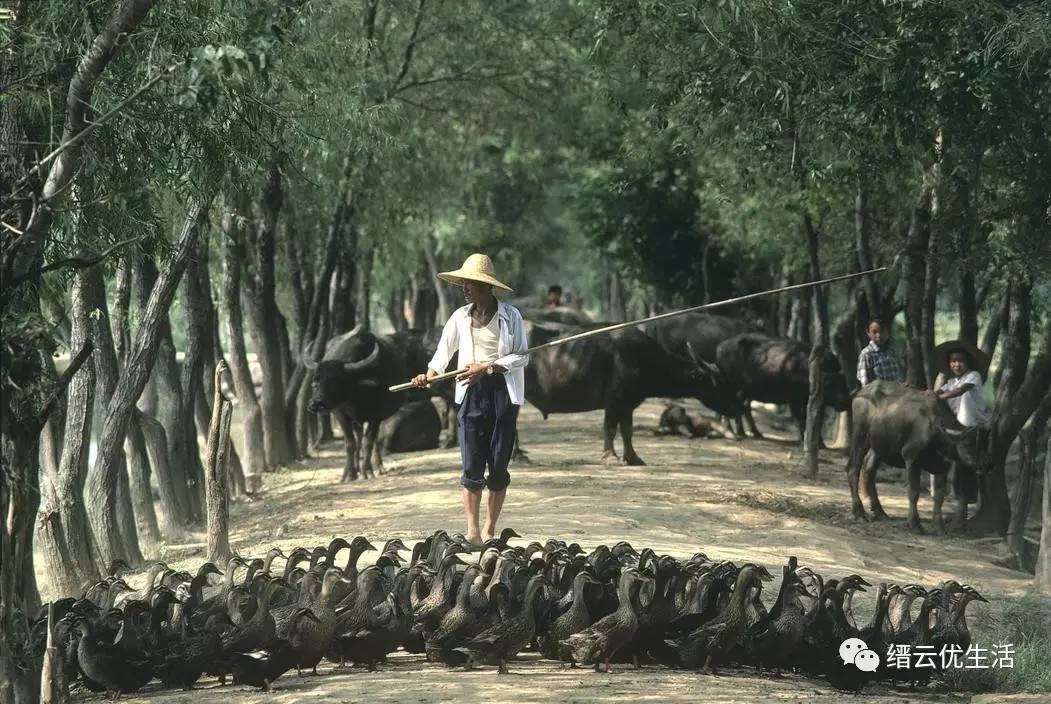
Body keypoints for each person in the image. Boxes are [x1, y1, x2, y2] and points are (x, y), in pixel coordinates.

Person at [411, 253, 529, 546]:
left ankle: (490, 529)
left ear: (488, 287)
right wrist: (428, 374)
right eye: (463, 283)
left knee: (498, 465)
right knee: (471, 464)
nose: (465, 288)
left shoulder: (511, 316)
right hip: (470, 394)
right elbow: (443, 352)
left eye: (471, 283)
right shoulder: (460, 318)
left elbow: (521, 356)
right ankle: (472, 532)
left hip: (503, 392)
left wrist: (487, 367)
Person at [934, 341, 991, 428]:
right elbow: (939, 391)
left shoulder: (973, 375)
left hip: (975, 422)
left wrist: (938, 398)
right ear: (949, 363)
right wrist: (928, 394)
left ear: (968, 362)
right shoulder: (952, 381)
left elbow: (959, 391)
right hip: (958, 421)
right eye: (953, 361)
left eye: (961, 361)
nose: (957, 365)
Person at [857, 317, 905, 385]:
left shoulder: (892, 351)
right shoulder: (867, 354)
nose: (879, 335)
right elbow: (865, 382)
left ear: (888, 332)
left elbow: (900, 376)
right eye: (874, 332)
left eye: (882, 331)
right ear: (868, 333)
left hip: (896, 392)